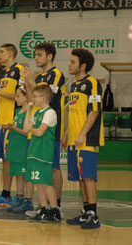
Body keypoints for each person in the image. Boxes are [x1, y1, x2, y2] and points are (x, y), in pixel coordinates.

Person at [22, 42, 66, 217]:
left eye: (40, 54)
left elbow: (51, 99)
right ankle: (45, 206)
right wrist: (28, 83)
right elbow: (32, 96)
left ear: (50, 56)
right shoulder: (40, 76)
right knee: (40, 166)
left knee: (53, 167)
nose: (36, 58)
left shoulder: (56, 74)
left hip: (50, 128)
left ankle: (57, 205)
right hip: (38, 122)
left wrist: (32, 82)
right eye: (35, 55)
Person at [63, 49, 104, 229]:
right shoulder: (73, 85)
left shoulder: (92, 83)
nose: (69, 65)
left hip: (86, 139)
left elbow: (94, 110)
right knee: (80, 177)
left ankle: (93, 215)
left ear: (83, 65)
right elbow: (73, 113)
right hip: (73, 139)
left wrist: (82, 134)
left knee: (88, 177)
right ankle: (86, 211)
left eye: (73, 62)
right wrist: (66, 133)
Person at [0, 44, 24, 206]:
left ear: (11, 53)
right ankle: (6, 193)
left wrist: (0, 93)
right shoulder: (5, 72)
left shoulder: (19, 70)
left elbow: (22, 95)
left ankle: (9, 194)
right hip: (2, 120)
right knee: (4, 159)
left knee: (11, 158)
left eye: (1, 52)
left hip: (13, 120)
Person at [24, 85, 60, 223]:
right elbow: (27, 128)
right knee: (37, 182)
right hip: (33, 151)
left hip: (43, 152)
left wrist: (32, 128)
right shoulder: (36, 112)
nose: (32, 99)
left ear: (43, 97)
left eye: (35, 96)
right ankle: (44, 208)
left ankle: (55, 210)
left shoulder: (50, 113)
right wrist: (28, 110)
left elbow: (39, 132)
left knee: (45, 183)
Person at [3, 87, 31, 213]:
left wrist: (12, 127)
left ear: (26, 97)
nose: (16, 98)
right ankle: (19, 197)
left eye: (18, 96)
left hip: (22, 147)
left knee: (23, 174)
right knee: (17, 175)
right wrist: (11, 128)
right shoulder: (18, 111)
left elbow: (27, 132)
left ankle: (26, 199)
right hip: (14, 146)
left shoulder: (29, 112)